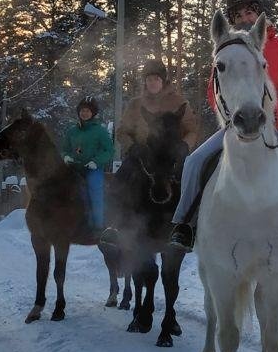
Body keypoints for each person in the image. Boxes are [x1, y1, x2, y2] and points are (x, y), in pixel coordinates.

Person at [169, 0, 278, 267]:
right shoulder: (227, 49)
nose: (244, 19)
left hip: (277, 127)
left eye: (249, 13)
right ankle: (185, 225)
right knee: (195, 162)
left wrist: (274, 113)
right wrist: (229, 115)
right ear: (232, 19)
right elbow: (214, 90)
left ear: (258, 15)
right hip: (234, 128)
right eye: (237, 14)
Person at [99, 58, 198, 249]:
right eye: (149, 79)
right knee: (121, 179)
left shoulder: (179, 102)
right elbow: (122, 131)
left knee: (191, 181)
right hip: (143, 155)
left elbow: (192, 129)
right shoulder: (136, 104)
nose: (152, 82)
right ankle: (115, 226)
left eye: (156, 79)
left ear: (163, 81)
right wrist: (132, 146)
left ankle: (185, 228)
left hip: (171, 157)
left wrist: (184, 146)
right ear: (145, 81)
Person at [62, 96, 114, 231]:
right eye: (82, 110)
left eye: (88, 111)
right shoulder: (71, 131)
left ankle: (98, 226)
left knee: (94, 190)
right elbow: (65, 149)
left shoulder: (100, 131)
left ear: (93, 113)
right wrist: (66, 156)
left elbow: (109, 150)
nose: (84, 113)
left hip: (92, 169)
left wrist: (96, 162)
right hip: (74, 168)